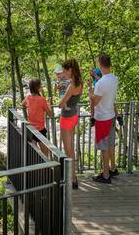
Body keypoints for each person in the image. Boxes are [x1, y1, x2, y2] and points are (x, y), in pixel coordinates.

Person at [88, 53, 119, 183]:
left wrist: (90, 92)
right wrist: (96, 77)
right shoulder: (114, 78)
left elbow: (94, 102)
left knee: (104, 147)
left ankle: (105, 175)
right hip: (111, 115)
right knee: (110, 144)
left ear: (100, 65)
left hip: (102, 118)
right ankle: (113, 168)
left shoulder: (100, 83)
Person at [58, 59, 83, 189]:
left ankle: (72, 179)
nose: (63, 72)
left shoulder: (72, 84)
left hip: (67, 119)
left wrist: (61, 101)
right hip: (73, 115)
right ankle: (72, 176)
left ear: (70, 70)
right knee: (70, 148)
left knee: (68, 150)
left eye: (65, 70)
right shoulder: (80, 82)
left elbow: (60, 104)